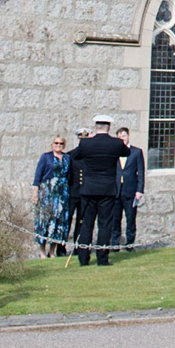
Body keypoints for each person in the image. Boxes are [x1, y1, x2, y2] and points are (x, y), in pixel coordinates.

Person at [65, 114, 129, 266]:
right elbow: (127, 152)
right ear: (109, 127)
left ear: (95, 127)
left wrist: (88, 140)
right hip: (107, 189)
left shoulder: (86, 144)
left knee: (87, 224)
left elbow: (74, 155)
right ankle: (102, 258)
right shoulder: (116, 143)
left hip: (88, 188)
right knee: (105, 224)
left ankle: (83, 258)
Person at [31, 134, 72, 257]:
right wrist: (35, 193)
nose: (58, 145)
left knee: (59, 221)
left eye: (60, 144)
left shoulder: (67, 158)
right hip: (47, 192)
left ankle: (52, 251)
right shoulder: (46, 157)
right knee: (44, 221)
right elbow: (38, 176)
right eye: (56, 143)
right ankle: (42, 251)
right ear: (52, 144)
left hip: (62, 193)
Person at [116, 126, 146, 250]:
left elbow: (141, 172)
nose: (122, 139)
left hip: (130, 190)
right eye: (119, 137)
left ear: (128, 136)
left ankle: (130, 244)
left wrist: (139, 190)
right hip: (116, 191)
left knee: (130, 219)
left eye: (123, 136)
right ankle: (114, 243)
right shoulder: (114, 152)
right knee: (115, 219)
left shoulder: (136, 152)